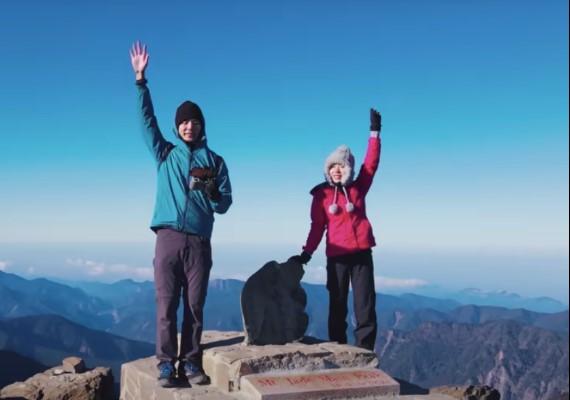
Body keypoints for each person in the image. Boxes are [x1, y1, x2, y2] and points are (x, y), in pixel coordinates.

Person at [129, 42, 232, 387]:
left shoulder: (215, 162)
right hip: (168, 237)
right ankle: (164, 364)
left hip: (200, 241)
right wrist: (141, 81)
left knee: (194, 307)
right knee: (165, 304)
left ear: (202, 126)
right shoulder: (166, 154)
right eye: (184, 122)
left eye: (194, 121)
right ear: (178, 127)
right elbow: (147, 123)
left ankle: (190, 362)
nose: (189, 126)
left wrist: (214, 192)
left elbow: (225, 204)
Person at [291, 109, 382, 351]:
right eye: (333, 167)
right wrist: (307, 253)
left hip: (362, 253)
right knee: (337, 303)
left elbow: (371, 164)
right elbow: (317, 227)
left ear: (349, 168)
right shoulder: (321, 195)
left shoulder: (358, 188)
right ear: (327, 169)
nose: (337, 170)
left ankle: (364, 350)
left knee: (365, 304)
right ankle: (338, 347)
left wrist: (374, 133)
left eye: (341, 166)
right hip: (337, 256)